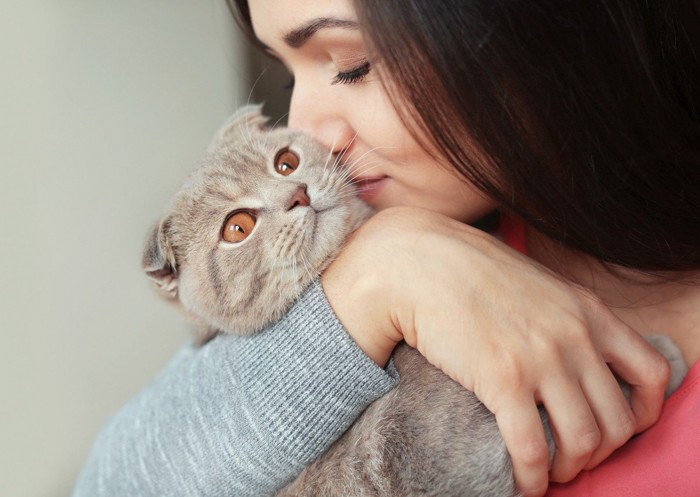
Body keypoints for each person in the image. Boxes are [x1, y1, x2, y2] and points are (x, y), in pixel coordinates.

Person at [73, 0, 700, 496]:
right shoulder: (376, 256)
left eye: (353, 63)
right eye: (287, 71)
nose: (306, 128)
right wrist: (384, 270)